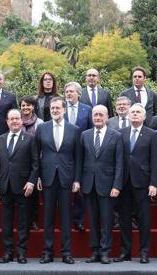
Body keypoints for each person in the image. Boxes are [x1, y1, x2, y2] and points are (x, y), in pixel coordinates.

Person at [36, 97, 81, 264]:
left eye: (58, 108)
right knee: (48, 218)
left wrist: (77, 180)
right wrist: (38, 176)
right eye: (52, 108)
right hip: (47, 178)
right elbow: (36, 156)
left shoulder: (74, 130)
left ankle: (66, 252)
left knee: (66, 218)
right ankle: (47, 252)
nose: (55, 110)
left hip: (67, 179)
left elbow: (78, 157)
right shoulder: (42, 128)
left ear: (64, 110)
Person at [76, 105, 122, 264]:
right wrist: (78, 181)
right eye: (95, 115)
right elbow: (79, 161)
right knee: (93, 220)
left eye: (101, 115)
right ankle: (94, 251)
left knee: (107, 219)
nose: (97, 118)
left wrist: (117, 185)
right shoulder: (84, 135)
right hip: (89, 184)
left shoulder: (116, 136)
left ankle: (105, 251)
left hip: (108, 185)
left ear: (107, 117)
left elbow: (120, 163)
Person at [115, 104, 157, 264]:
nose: (134, 114)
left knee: (144, 220)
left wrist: (154, 183)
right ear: (128, 115)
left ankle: (144, 253)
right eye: (132, 112)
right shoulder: (120, 133)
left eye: (138, 112)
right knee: (124, 219)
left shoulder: (152, 134)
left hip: (143, 182)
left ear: (144, 116)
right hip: (125, 182)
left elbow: (155, 160)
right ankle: (125, 252)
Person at [0, 109, 39, 264]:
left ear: (22, 121)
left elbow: (36, 163)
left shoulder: (30, 139)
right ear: (7, 121)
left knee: (23, 221)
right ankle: (8, 252)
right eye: (11, 119)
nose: (14, 121)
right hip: (5, 186)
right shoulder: (0, 139)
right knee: (6, 222)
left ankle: (21, 252)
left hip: (23, 187)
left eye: (17, 118)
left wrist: (32, 181)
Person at [64, 81, 93, 232]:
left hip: (82, 153)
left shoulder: (87, 110)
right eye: (67, 91)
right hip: (64, 154)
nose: (68, 94)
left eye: (71, 91)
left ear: (79, 94)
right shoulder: (60, 109)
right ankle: (66, 219)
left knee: (80, 187)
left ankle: (79, 219)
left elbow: (90, 130)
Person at [19, 95, 44, 230]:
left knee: (33, 193)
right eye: (23, 105)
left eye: (28, 105)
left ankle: (33, 220)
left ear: (33, 107)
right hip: (20, 162)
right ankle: (23, 220)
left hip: (35, 161)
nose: (25, 108)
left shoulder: (39, 123)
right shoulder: (17, 121)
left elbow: (42, 143)